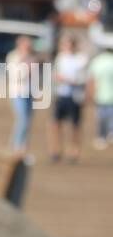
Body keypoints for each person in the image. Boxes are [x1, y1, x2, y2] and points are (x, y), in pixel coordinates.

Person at [50, 34, 87, 162]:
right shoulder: (60, 58)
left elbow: (83, 78)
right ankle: (56, 150)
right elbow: (54, 74)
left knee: (74, 125)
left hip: (75, 96)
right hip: (60, 94)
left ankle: (73, 151)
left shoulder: (80, 59)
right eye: (65, 44)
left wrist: (71, 80)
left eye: (70, 44)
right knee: (55, 124)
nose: (67, 46)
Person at [6, 35, 35, 156]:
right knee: (22, 119)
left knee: (27, 121)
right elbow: (15, 76)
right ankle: (15, 146)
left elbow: (36, 76)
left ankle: (21, 148)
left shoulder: (31, 58)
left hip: (29, 92)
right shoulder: (13, 56)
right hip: (17, 92)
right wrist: (26, 68)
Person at [85, 41, 113, 149]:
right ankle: (110, 134)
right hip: (110, 96)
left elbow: (91, 79)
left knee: (101, 118)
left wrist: (89, 94)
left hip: (100, 95)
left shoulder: (97, 61)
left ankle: (101, 137)